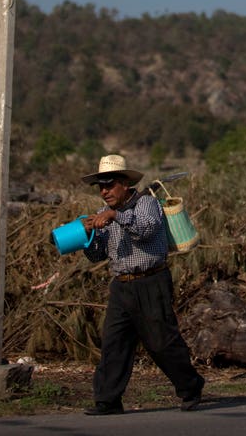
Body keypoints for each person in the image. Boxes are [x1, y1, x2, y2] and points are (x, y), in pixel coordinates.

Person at [76, 154, 206, 416]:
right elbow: (99, 254)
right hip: (121, 285)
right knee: (114, 343)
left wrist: (116, 217)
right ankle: (108, 401)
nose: (104, 191)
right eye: (101, 186)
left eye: (109, 184)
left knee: (161, 342)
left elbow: (145, 229)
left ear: (124, 184)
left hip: (151, 281)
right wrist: (88, 235)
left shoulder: (146, 204)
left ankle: (191, 387)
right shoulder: (104, 213)